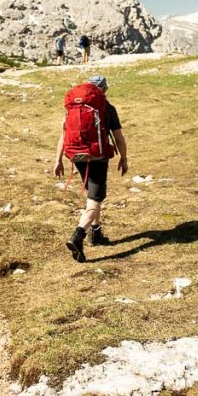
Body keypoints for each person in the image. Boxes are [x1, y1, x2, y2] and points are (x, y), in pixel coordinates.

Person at [53, 75, 128, 262]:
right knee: (95, 198)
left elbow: (64, 135)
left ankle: (96, 232)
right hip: (97, 156)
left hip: (76, 155)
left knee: (92, 194)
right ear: (103, 89)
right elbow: (118, 137)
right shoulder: (107, 108)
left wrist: (58, 161)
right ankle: (78, 235)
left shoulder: (73, 107)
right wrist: (124, 158)